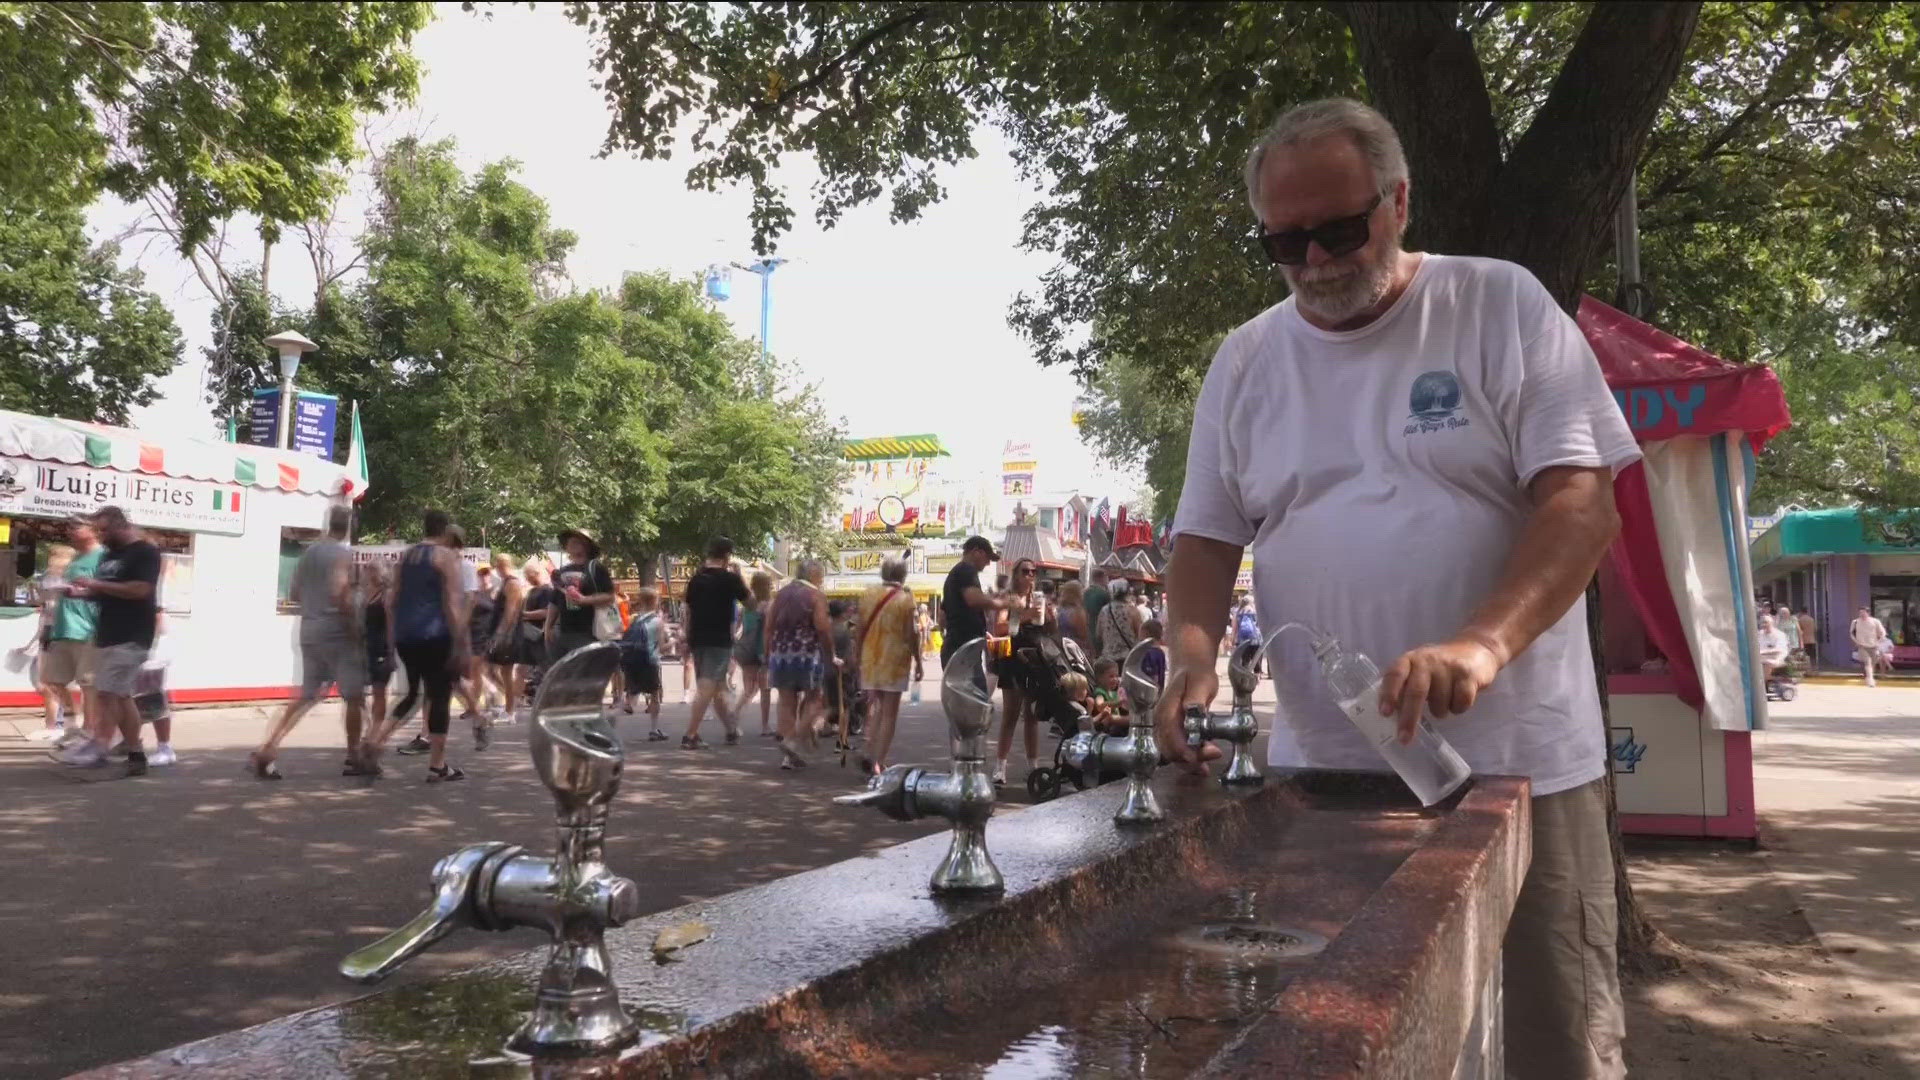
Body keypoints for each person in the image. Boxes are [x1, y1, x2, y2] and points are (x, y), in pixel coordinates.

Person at [1156, 99, 1638, 1077]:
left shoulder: (1498, 304)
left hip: (1521, 766)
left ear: (1400, 200)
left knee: (1556, 1042)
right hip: (1324, 778)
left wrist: (1480, 646)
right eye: (1286, 243)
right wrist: (1189, 665)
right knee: (1341, 1042)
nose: (1319, 260)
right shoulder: (1247, 359)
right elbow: (1204, 540)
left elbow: (1582, 505)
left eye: (1341, 230)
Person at [250, 505, 367, 779]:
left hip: (309, 629)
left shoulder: (309, 552)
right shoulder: (343, 555)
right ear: (348, 527)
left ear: (329, 524)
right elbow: (341, 594)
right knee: (354, 696)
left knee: (306, 694)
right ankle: (353, 757)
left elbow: (294, 592)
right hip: (337, 632)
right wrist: (353, 628)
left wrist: (316, 606)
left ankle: (268, 748)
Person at [59, 507, 162, 777]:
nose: (101, 537)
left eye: (104, 530)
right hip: (106, 633)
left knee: (105, 692)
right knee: (119, 695)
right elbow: (105, 594)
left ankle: (100, 747)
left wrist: (96, 585)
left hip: (133, 634)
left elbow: (141, 589)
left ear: (121, 524)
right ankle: (135, 754)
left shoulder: (144, 551)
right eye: (98, 531)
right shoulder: (109, 555)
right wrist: (77, 593)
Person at [370, 510, 469, 782]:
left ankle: (377, 741)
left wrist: (392, 641)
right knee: (439, 697)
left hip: (406, 636)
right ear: (444, 529)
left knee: (412, 694)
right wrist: (461, 641)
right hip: (436, 636)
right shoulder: (445, 557)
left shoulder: (406, 556)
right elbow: (451, 604)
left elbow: (391, 601)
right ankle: (437, 765)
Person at [766, 558, 838, 770]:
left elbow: (769, 627)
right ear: (814, 575)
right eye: (822, 575)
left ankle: (789, 757)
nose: (823, 579)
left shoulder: (781, 594)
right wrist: (831, 653)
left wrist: (767, 652)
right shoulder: (816, 595)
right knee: (815, 698)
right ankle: (793, 741)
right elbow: (823, 628)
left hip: (780, 653)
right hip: (806, 653)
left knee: (787, 701)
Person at [856, 556, 922, 778]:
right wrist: (919, 660)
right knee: (889, 714)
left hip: (870, 658)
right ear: (903, 575)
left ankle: (868, 750)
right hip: (894, 661)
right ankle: (878, 761)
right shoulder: (906, 600)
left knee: (876, 707)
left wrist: (857, 656)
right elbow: (911, 634)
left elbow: (860, 629)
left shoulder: (867, 595)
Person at [682, 536, 751, 748]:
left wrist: (686, 637)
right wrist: (742, 577)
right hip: (718, 639)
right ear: (727, 556)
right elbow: (752, 603)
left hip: (698, 638)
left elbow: (688, 611)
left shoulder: (695, 579)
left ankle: (731, 730)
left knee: (718, 687)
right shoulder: (729, 579)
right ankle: (690, 735)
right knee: (707, 686)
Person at [36, 524, 101, 743]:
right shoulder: (77, 559)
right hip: (62, 628)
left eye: (78, 526)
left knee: (88, 684)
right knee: (50, 680)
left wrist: (80, 591)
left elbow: (105, 591)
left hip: (88, 630)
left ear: (92, 530)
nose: (71, 530)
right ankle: (73, 724)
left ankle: (89, 732)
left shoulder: (102, 556)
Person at [994, 557, 1053, 787]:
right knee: (1010, 714)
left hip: (1034, 659)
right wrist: (1024, 615)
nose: (1030, 576)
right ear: (1015, 574)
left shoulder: (1037, 598)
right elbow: (999, 627)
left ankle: (1033, 767)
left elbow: (1049, 629)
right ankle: (1000, 767)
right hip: (1012, 658)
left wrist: (1050, 617)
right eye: (1025, 571)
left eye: (1033, 572)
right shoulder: (1007, 598)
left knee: (1032, 715)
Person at [939, 535, 1009, 672]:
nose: (988, 563)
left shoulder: (956, 573)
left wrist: (982, 631)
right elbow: (974, 600)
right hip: (963, 649)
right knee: (971, 691)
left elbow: (943, 613)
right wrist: (1005, 603)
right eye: (987, 558)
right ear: (977, 551)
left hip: (956, 646)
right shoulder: (966, 570)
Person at [548, 528, 616, 663]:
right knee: (564, 678)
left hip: (589, 632)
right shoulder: (562, 571)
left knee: (587, 676)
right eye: (569, 541)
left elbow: (610, 596)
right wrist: (548, 626)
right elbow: (555, 601)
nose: (572, 543)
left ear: (587, 545)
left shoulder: (595, 568)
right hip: (563, 633)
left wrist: (585, 600)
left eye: (577, 541)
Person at [618, 586, 666, 740]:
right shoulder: (657, 621)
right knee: (654, 695)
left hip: (632, 661)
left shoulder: (634, 619)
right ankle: (654, 729)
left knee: (632, 693)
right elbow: (662, 647)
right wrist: (672, 642)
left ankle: (614, 725)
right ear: (655, 601)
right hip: (650, 661)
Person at [484, 553, 526, 725]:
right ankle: (510, 703)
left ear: (501, 565)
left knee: (505, 672)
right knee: (495, 671)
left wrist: (501, 634)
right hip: (504, 632)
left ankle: (511, 710)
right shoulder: (506, 583)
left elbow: (511, 611)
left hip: (509, 634)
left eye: (496, 565)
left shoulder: (512, 583)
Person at [361, 560, 396, 760]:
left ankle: (374, 734)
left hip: (382, 649)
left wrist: (391, 650)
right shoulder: (368, 594)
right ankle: (371, 731)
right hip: (367, 649)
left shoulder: (386, 595)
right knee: (360, 694)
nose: (366, 573)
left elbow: (392, 623)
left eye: (370, 570)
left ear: (378, 574)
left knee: (379, 693)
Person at [735, 571, 775, 738]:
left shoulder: (746, 607)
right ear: (766, 586)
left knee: (749, 689)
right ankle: (765, 726)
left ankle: (734, 718)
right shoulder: (769, 605)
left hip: (746, 649)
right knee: (765, 689)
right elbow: (771, 630)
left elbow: (738, 628)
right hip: (763, 649)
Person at [518, 561, 554, 703]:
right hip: (529, 635)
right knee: (524, 669)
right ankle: (521, 698)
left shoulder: (546, 591)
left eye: (528, 575)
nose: (527, 579)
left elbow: (546, 612)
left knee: (544, 667)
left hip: (539, 634)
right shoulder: (531, 591)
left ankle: (545, 696)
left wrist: (524, 615)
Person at [1096, 579, 1143, 666]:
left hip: (1108, 658)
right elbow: (1140, 634)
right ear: (1127, 592)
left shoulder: (1104, 610)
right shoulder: (1132, 611)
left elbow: (1098, 634)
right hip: (1128, 658)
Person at [1850, 606, 1888, 687]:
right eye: (1860, 612)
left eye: (1863, 612)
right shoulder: (1855, 622)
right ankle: (1871, 681)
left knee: (1872, 664)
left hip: (1873, 646)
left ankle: (1869, 677)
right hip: (1862, 646)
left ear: (1868, 613)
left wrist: (1879, 641)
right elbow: (1851, 633)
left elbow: (1883, 632)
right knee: (1868, 662)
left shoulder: (1875, 621)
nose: (1862, 614)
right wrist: (1856, 641)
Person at [1057, 580, 1092, 657]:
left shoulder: (1058, 610)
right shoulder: (1077, 612)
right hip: (1074, 651)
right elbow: (1083, 635)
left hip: (1060, 649)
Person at [1083, 568, 1112, 654]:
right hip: (1100, 631)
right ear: (1101, 578)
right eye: (1107, 578)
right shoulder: (1104, 594)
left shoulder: (1085, 592)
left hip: (1086, 630)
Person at [1756, 614, 1790, 679]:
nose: (1764, 625)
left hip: (1776, 658)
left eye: (1766, 622)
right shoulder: (1760, 634)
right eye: (1762, 623)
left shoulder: (1779, 634)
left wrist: (1762, 652)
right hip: (1761, 658)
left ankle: (1764, 683)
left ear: (1772, 623)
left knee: (1766, 663)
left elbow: (1779, 649)